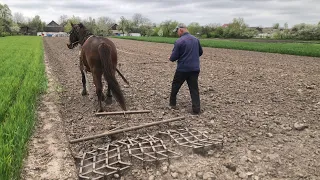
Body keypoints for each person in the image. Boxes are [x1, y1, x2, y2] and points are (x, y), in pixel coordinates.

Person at [168, 23, 203, 114]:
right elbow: (200, 52)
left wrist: (171, 58)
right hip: (195, 69)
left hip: (182, 69)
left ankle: (172, 104)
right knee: (194, 89)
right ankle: (196, 109)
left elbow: (173, 57)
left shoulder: (179, 41)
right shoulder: (196, 40)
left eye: (177, 32)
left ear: (181, 30)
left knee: (175, 86)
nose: (177, 34)